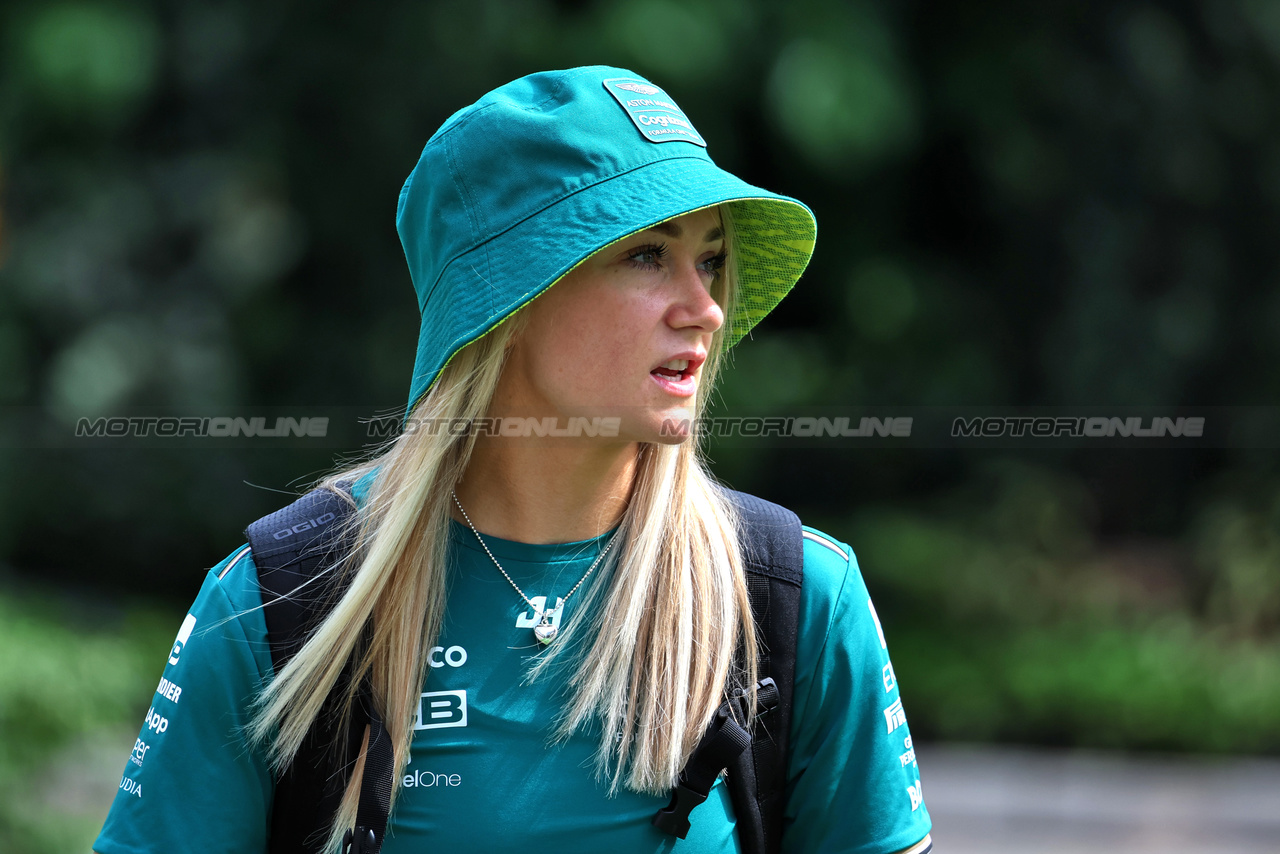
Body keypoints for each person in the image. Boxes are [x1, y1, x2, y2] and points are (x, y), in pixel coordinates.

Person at [94, 66, 932, 854]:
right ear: (509, 300)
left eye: (711, 258)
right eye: (648, 254)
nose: (706, 308)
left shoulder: (792, 597)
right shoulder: (285, 601)